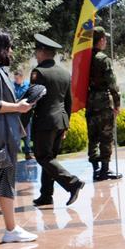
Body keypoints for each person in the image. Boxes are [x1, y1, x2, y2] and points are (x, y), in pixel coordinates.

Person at [0, 30, 38, 242]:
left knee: (4, 184)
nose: (11, 51)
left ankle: (11, 229)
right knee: (2, 182)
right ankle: (11, 229)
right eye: (9, 47)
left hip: (1, 141)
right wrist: (17, 107)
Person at [30, 34, 84, 207]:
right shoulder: (64, 73)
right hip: (60, 121)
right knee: (50, 157)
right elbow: (69, 101)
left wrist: (22, 122)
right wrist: (66, 124)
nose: (36, 55)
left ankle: (72, 183)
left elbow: (33, 100)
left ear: (43, 51)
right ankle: (46, 194)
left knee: (42, 157)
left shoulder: (39, 72)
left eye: (37, 51)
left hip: (45, 122)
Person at [86, 26, 122, 181]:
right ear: (100, 40)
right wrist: (117, 103)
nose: (106, 41)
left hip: (90, 101)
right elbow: (112, 83)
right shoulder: (103, 59)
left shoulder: (84, 58)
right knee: (106, 137)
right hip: (103, 102)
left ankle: (96, 169)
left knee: (93, 137)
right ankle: (104, 170)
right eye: (105, 39)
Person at [13, 69, 33, 160]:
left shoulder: (27, 85)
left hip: (26, 113)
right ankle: (14, 154)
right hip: (15, 114)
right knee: (15, 134)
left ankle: (28, 153)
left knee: (27, 134)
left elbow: (31, 95)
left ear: (22, 78)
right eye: (15, 78)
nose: (16, 80)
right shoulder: (12, 85)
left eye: (17, 78)